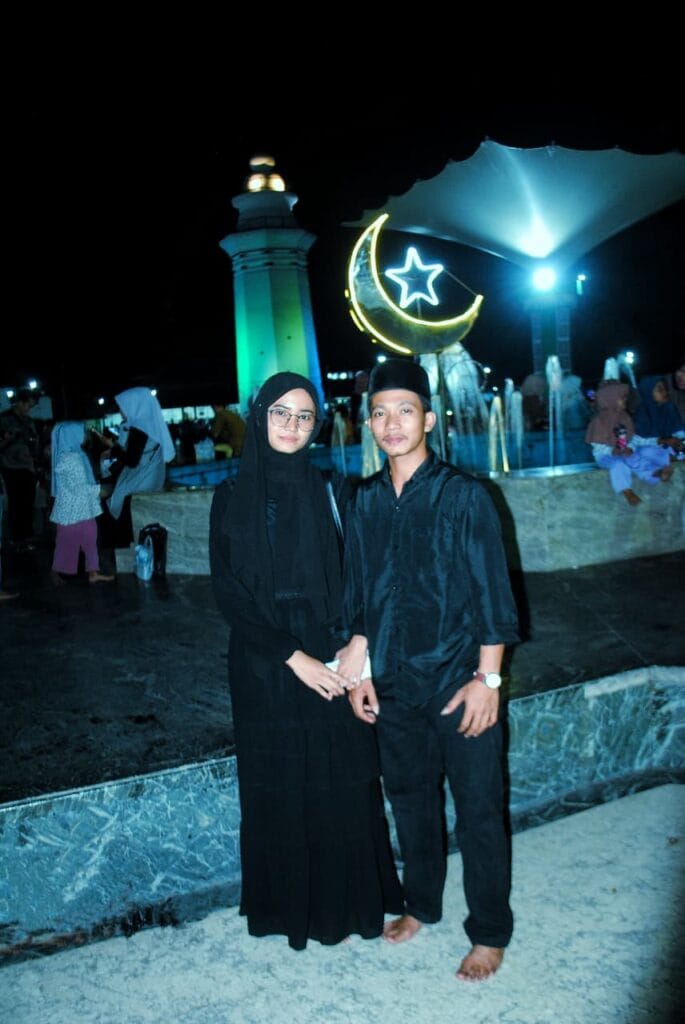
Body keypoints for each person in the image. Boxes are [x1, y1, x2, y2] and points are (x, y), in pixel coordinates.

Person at [336, 358, 520, 982]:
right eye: (380, 413)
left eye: (405, 411)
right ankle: (421, 904)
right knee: (411, 802)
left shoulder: (464, 495)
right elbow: (359, 597)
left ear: (429, 420)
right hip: (392, 683)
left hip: (458, 681)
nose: (392, 423)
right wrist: (361, 673)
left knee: (478, 810)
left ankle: (489, 931)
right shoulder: (362, 500)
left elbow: (493, 593)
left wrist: (488, 680)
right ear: (369, 424)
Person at [209, 371, 403, 951]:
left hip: (333, 648)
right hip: (265, 660)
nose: (292, 425)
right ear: (260, 416)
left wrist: (359, 645)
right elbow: (230, 595)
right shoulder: (230, 497)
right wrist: (292, 657)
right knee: (278, 783)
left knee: (341, 779)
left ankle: (351, 905)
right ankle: (287, 909)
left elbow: (367, 574)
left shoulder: (333, 491)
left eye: (303, 416)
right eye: (280, 413)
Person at [96, 388, 176, 570]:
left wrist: (113, 448)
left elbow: (131, 460)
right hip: (151, 477)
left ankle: (116, 556)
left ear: (135, 405)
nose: (121, 410)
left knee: (111, 506)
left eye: (123, 406)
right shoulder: (147, 424)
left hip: (142, 481)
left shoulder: (140, 427)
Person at [585, 379, 673, 505]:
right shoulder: (599, 422)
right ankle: (626, 490)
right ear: (610, 400)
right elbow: (597, 446)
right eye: (622, 398)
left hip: (624, 451)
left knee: (635, 458)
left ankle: (654, 473)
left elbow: (632, 438)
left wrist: (630, 447)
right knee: (619, 464)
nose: (625, 400)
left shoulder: (625, 417)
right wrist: (612, 450)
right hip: (606, 456)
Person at [49, 422, 114, 585]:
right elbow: (78, 486)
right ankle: (56, 572)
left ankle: (93, 572)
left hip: (82, 507)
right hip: (72, 509)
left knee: (89, 537)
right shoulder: (70, 458)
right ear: (72, 436)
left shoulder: (74, 454)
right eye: (82, 432)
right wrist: (99, 490)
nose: (85, 435)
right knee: (67, 541)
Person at [0, 389, 39, 551]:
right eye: (27, 405)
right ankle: (16, 537)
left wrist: (33, 457)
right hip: (10, 465)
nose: (28, 409)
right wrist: (11, 438)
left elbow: (34, 441)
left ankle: (26, 535)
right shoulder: (4, 419)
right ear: (19, 403)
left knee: (28, 501)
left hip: (27, 466)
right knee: (16, 502)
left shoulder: (28, 421)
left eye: (31, 406)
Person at [634, 375, 685, 455]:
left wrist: (679, 441)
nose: (666, 392)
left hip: (669, 448)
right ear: (648, 393)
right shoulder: (642, 413)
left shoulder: (669, 408)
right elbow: (638, 441)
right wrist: (662, 441)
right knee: (646, 451)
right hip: (651, 448)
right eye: (660, 390)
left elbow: (679, 430)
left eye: (666, 389)